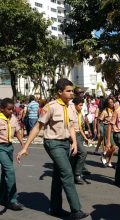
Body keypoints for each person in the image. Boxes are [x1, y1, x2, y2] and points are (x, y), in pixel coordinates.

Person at [16, 78, 88, 219]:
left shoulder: (71, 107)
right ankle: (76, 210)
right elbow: (38, 126)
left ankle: (55, 208)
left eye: (72, 91)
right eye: (68, 91)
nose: (71, 93)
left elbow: (72, 126)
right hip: (53, 143)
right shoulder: (51, 107)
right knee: (67, 173)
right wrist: (25, 147)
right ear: (59, 92)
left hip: (66, 143)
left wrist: (74, 142)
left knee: (58, 175)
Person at [0, 98, 24, 211]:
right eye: (9, 109)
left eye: (12, 109)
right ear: (2, 109)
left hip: (9, 147)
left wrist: (23, 145)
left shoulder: (13, 118)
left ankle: (2, 197)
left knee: (5, 173)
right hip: (0, 148)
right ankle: (12, 200)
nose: (11, 111)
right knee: (10, 172)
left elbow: (17, 131)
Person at [70, 97, 90, 185]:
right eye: (80, 105)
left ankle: (72, 173)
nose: (81, 107)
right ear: (75, 105)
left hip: (79, 135)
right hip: (73, 135)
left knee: (75, 155)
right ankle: (77, 174)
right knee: (83, 153)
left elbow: (80, 127)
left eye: (82, 105)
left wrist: (85, 137)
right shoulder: (71, 113)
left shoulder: (79, 113)